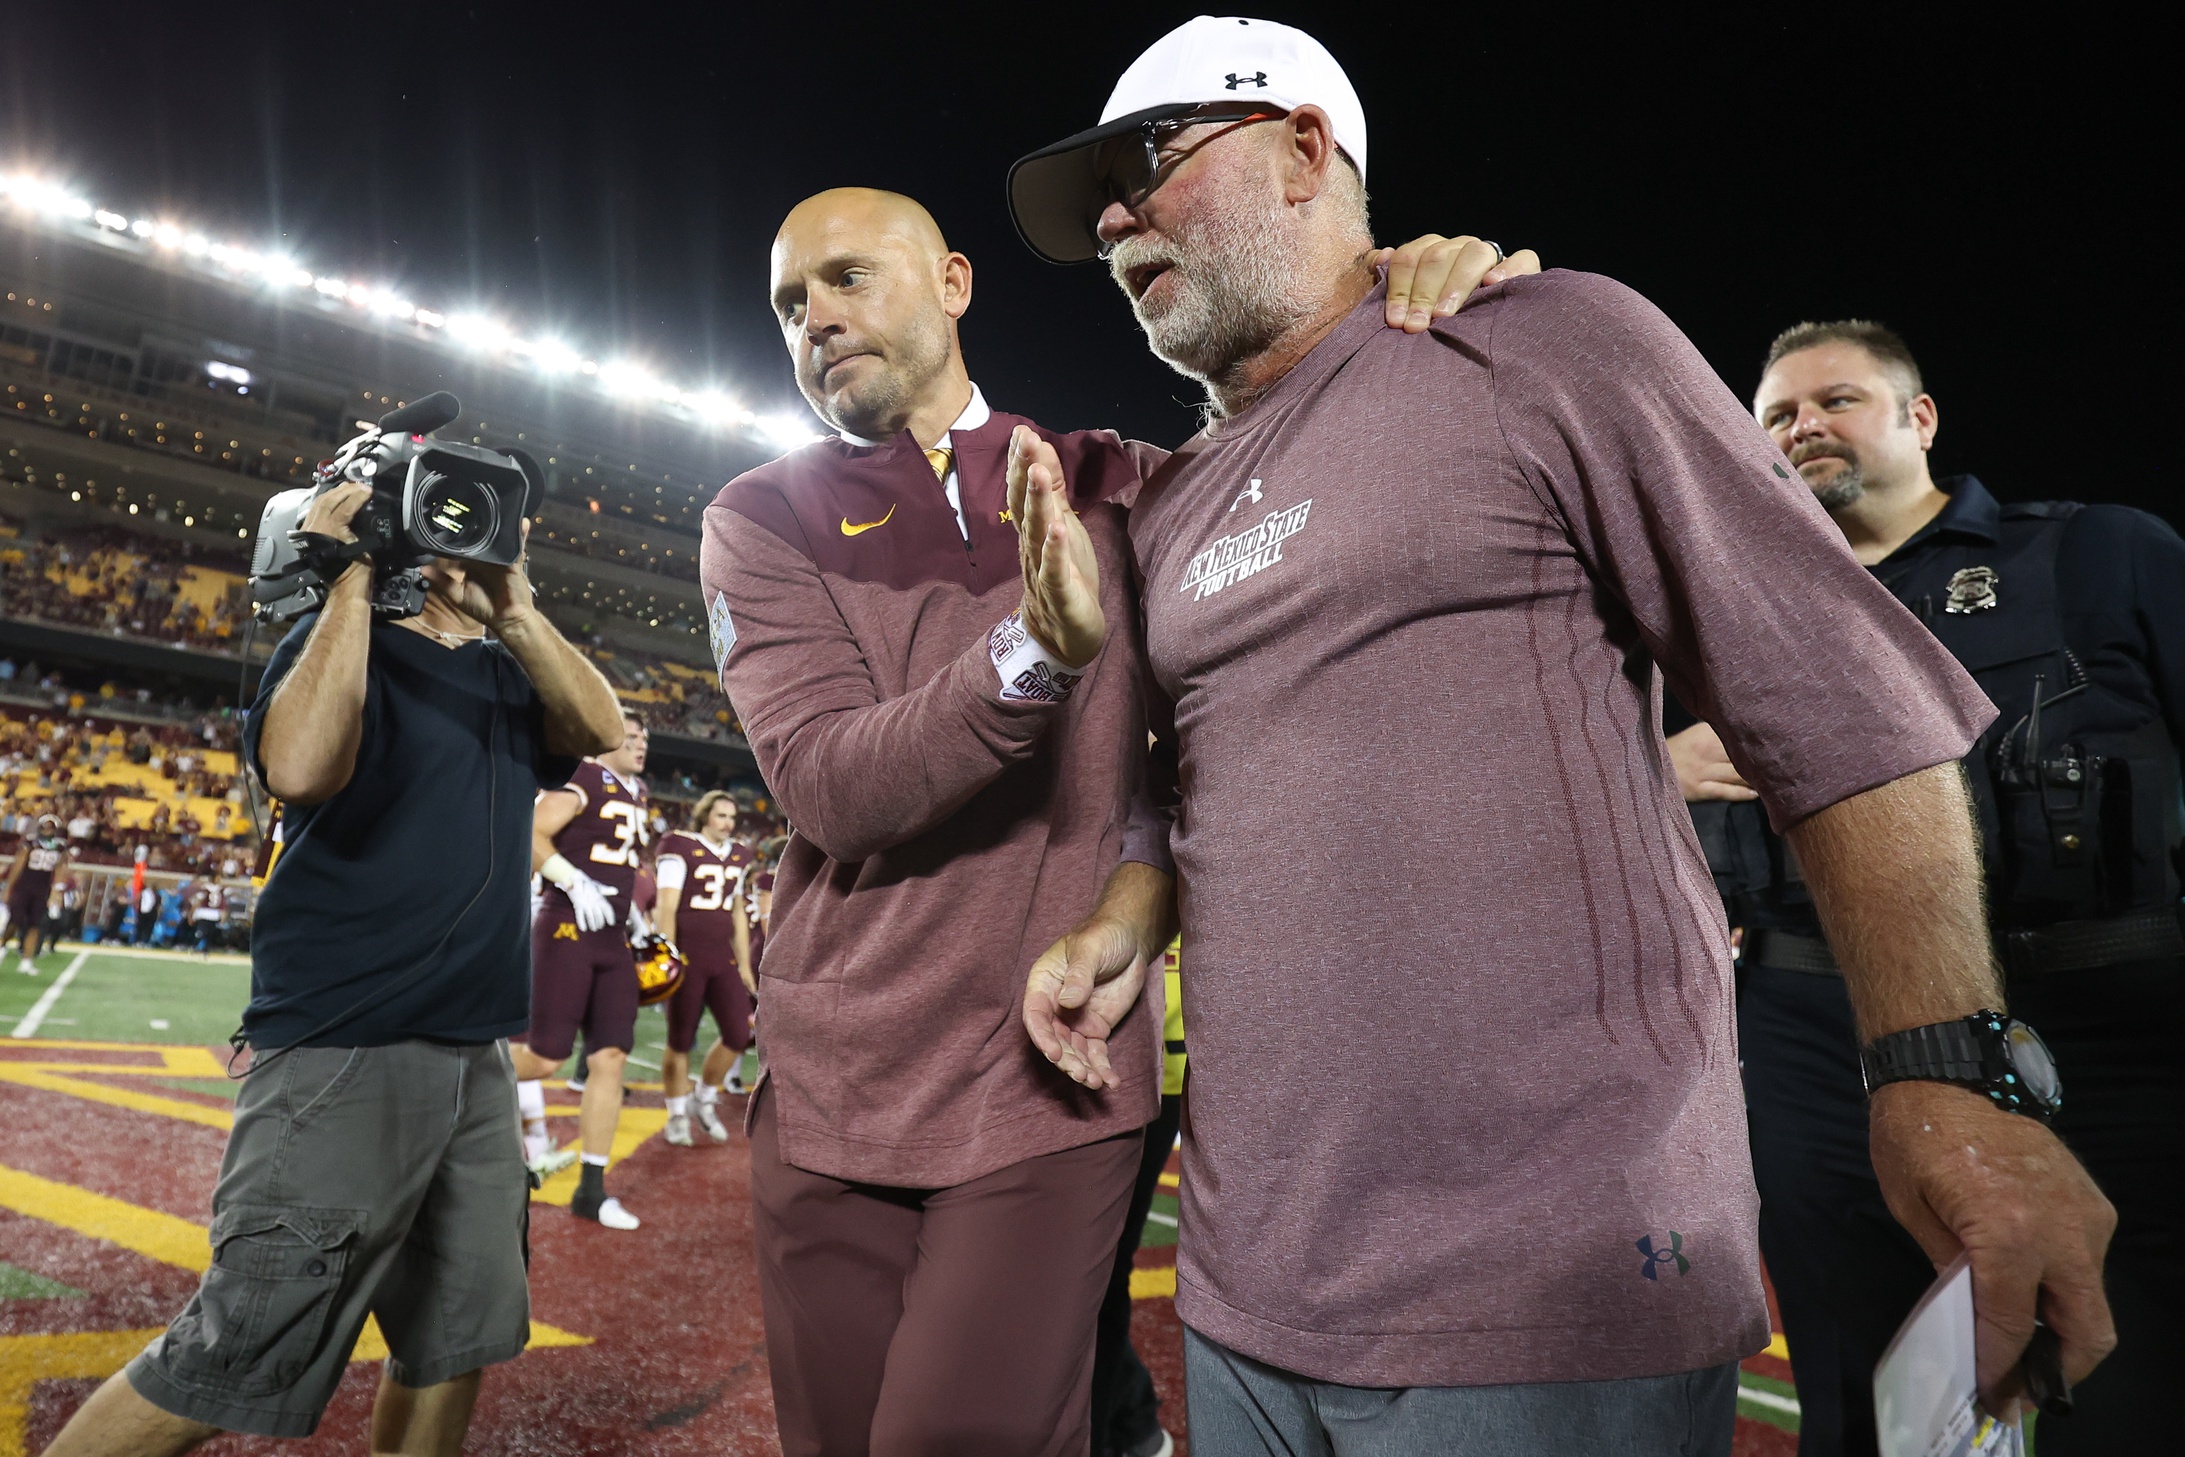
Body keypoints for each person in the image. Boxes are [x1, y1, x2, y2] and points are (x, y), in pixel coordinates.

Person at [1010, 17, 2117, 1455]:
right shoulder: (1163, 505)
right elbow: (1196, 782)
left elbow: (1840, 708)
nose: (1109, 218)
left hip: (1549, 1291)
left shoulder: (1542, 341)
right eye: (1097, 196)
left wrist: (1945, 1072)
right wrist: (1123, 912)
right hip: (1242, 1295)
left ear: (1301, 151)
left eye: (1148, 160)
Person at [701, 182, 1519, 1454]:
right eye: (788, 304)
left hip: (1052, 1065)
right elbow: (829, 789)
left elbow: (1260, 657)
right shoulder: (756, 516)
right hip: (833, 1080)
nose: (814, 319)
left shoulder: (1124, 480)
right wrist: (1035, 651)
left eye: (847, 278)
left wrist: (1404, 294)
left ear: (955, 283)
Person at [1664, 319, 2183, 1456]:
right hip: (1814, 1029)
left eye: (1835, 400)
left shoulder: (2103, 554)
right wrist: (1655, 763)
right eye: (1777, 416)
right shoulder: (1722, 625)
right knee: (1862, 1391)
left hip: (2097, 1021)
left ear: (1919, 417)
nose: (1803, 427)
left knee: (2126, 1369)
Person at [40, 477, 623, 1455]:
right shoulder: (326, 652)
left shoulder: (504, 666)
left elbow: (601, 729)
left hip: (472, 1052)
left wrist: (515, 604)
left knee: (452, 1340)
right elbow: (302, 768)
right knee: (233, 1349)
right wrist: (354, 583)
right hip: (344, 1044)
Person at [509, 714, 651, 1228]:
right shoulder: (585, 775)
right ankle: (453, 1079)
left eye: (645, 738)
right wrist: (572, 880)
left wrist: (634, 913)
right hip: (567, 926)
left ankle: (591, 1190)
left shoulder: (639, 792)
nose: (641, 744)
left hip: (611, 936)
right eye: (631, 736)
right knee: (545, 1059)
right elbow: (531, 831)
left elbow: (620, 861)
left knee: (611, 1056)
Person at [1090, 939, 1186, 1457]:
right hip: (1116, 1043)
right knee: (1088, 1276)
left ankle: (1115, 1432)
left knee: (1093, 1275)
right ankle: (1131, 1420)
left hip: (1144, 1055)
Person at [653, 788, 757, 1144]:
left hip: (720, 957)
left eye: (731, 817)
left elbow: (738, 910)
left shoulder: (741, 854)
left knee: (739, 1033)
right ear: (704, 816)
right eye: (721, 816)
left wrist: (744, 964)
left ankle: (704, 1098)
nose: (728, 823)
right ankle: (677, 1113)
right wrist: (666, 954)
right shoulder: (679, 846)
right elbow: (666, 906)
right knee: (680, 1040)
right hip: (687, 956)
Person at [4, 813, 67, 972]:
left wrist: (56, 891)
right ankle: (2, 944)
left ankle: (26, 961)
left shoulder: (59, 847)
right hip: (24, 886)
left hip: (42, 888)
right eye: (46, 826)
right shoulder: (30, 843)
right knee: (15, 921)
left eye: (51, 827)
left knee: (35, 924)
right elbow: (18, 865)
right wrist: (8, 888)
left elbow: (60, 868)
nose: (48, 830)